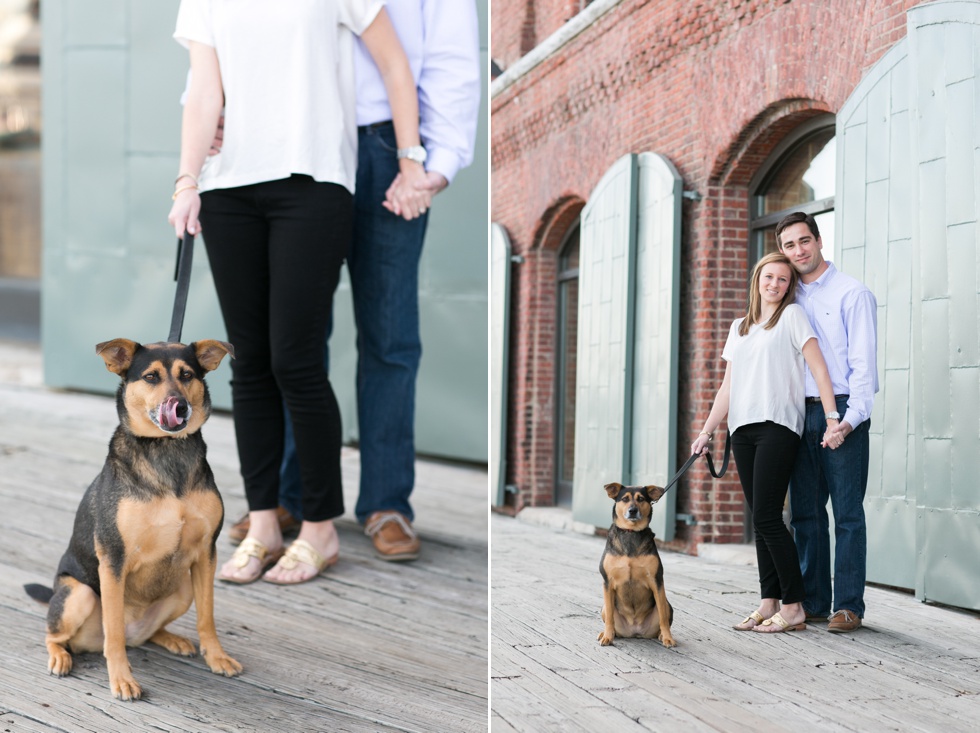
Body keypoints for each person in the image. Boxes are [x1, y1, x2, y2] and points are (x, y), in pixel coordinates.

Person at [167, 2, 430, 585]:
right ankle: (263, 522)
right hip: (229, 187)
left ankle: (320, 528)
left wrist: (411, 159)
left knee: (297, 361)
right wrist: (187, 180)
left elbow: (395, 65)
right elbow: (204, 90)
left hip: (312, 184)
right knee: (250, 362)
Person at [226, 0, 482, 562]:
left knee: (390, 334)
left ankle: (386, 502)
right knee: (293, 338)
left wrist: (436, 164)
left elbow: (452, 59)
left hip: (387, 145)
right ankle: (293, 495)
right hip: (295, 144)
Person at [691, 252, 841, 633]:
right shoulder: (739, 327)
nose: (775, 285)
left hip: (778, 425)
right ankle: (768, 601)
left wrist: (832, 418)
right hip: (742, 430)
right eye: (769, 277)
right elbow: (728, 386)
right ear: (757, 278)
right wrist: (707, 431)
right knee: (761, 521)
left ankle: (793, 607)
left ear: (790, 287)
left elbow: (819, 368)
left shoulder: (791, 317)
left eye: (783, 280)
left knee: (768, 517)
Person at [775, 211, 879, 633]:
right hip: (798, 411)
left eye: (804, 241)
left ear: (819, 240)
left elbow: (865, 374)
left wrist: (847, 422)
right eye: (789, 246)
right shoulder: (785, 296)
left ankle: (848, 606)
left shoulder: (853, 294)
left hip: (841, 410)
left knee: (848, 513)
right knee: (805, 513)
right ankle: (815, 601)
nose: (798, 251)